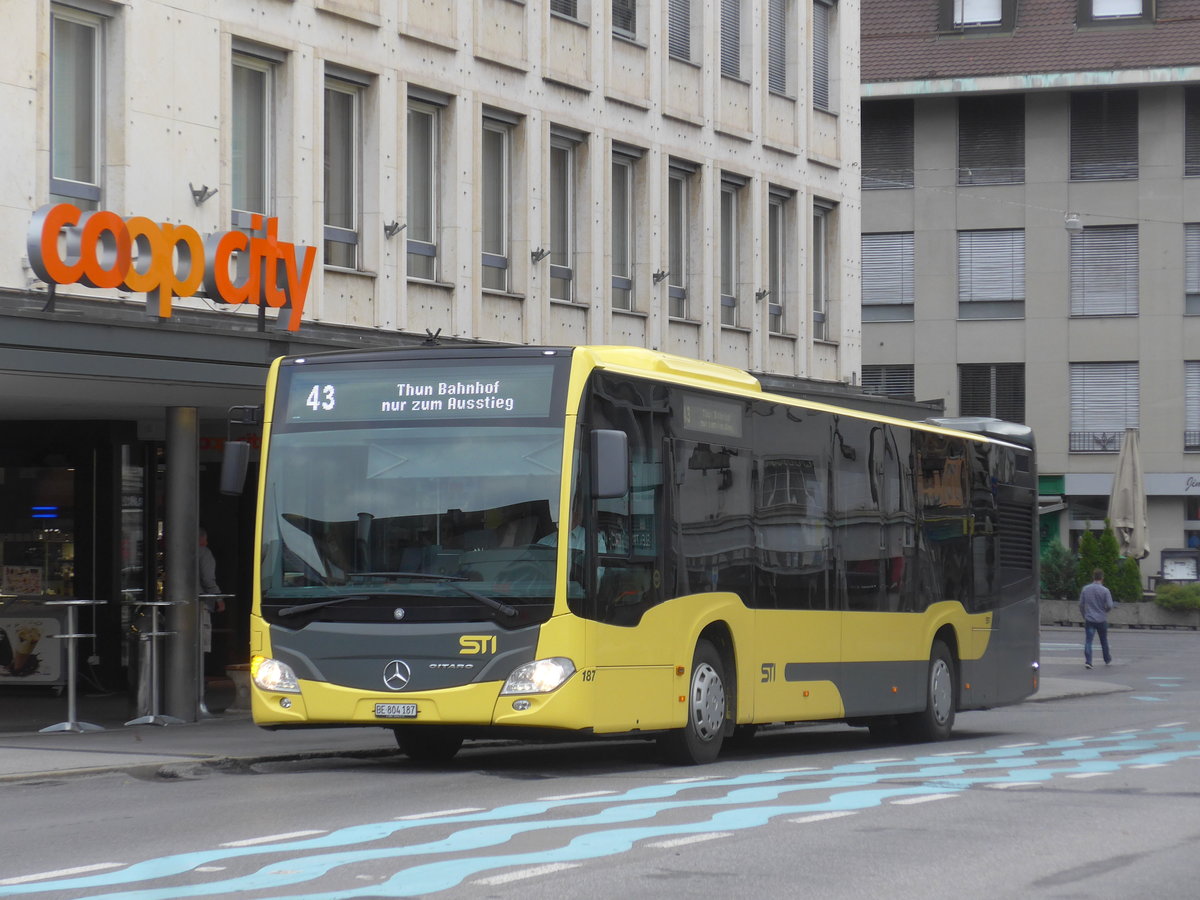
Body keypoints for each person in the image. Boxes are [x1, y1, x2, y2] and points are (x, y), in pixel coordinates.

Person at [1078, 568, 1114, 669]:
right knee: (1104, 640)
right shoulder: (1105, 591)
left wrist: (1084, 615)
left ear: (1093, 577)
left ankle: (1088, 661)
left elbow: (1081, 604)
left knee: (1088, 641)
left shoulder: (1085, 589)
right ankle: (1107, 658)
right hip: (1101, 619)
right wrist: (1105, 611)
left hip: (1089, 618)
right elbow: (1110, 605)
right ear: (1102, 578)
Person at [198, 528, 224, 656]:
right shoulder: (204, 553)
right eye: (205, 539)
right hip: (200, 602)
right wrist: (219, 599)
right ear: (200, 539)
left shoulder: (180, 552)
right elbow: (207, 579)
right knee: (201, 638)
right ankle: (199, 672)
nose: (207, 543)